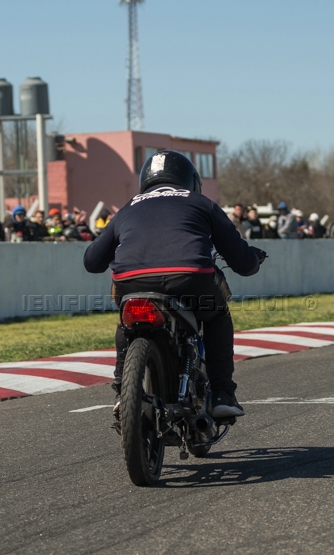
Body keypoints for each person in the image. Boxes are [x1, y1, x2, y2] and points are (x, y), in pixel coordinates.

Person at [83, 150, 264, 421]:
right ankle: (222, 393)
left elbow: (92, 262)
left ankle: (121, 390)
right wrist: (252, 260)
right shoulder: (201, 202)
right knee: (217, 313)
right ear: (190, 179)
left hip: (130, 283)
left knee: (124, 320)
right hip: (190, 278)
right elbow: (242, 262)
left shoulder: (128, 207)